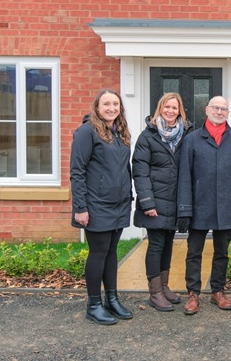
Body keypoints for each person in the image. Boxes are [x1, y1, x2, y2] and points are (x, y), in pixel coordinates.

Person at [70, 88, 134, 325]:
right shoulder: (86, 132)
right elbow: (77, 171)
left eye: (115, 104)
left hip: (119, 204)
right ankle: (94, 304)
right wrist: (80, 207)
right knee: (98, 253)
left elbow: (123, 168)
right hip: (95, 205)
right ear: (97, 107)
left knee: (111, 252)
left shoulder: (119, 133)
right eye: (106, 104)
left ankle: (112, 299)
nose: (111, 108)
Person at [177, 96, 231, 315]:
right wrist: (185, 208)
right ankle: (193, 293)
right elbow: (184, 175)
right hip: (199, 204)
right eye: (216, 107)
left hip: (226, 204)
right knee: (194, 251)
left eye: (224, 109)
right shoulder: (192, 139)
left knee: (222, 251)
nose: (219, 111)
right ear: (207, 110)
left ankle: (218, 291)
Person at [132, 92, 194, 312]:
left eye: (174, 108)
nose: (170, 111)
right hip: (155, 202)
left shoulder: (186, 135)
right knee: (156, 245)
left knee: (168, 244)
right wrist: (147, 202)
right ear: (160, 109)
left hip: (175, 202)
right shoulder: (147, 137)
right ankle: (155, 292)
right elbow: (140, 172)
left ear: (180, 111)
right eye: (167, 107)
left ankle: (165, 286)